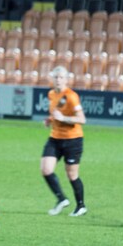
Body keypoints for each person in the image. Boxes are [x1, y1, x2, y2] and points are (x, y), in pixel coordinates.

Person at [41, 66, 88, 217]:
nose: (58, 80)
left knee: (72, 174)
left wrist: (64, 118)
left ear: (67, 80)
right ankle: (61, 199)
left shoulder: (71, 96)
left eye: (61, 77)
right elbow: (57, 111)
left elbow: (82, 119)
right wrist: (50, 119)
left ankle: (81, 206)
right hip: (55, 138)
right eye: (56, 77)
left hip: (73, 140)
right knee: (46, 169)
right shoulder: (51, 94)